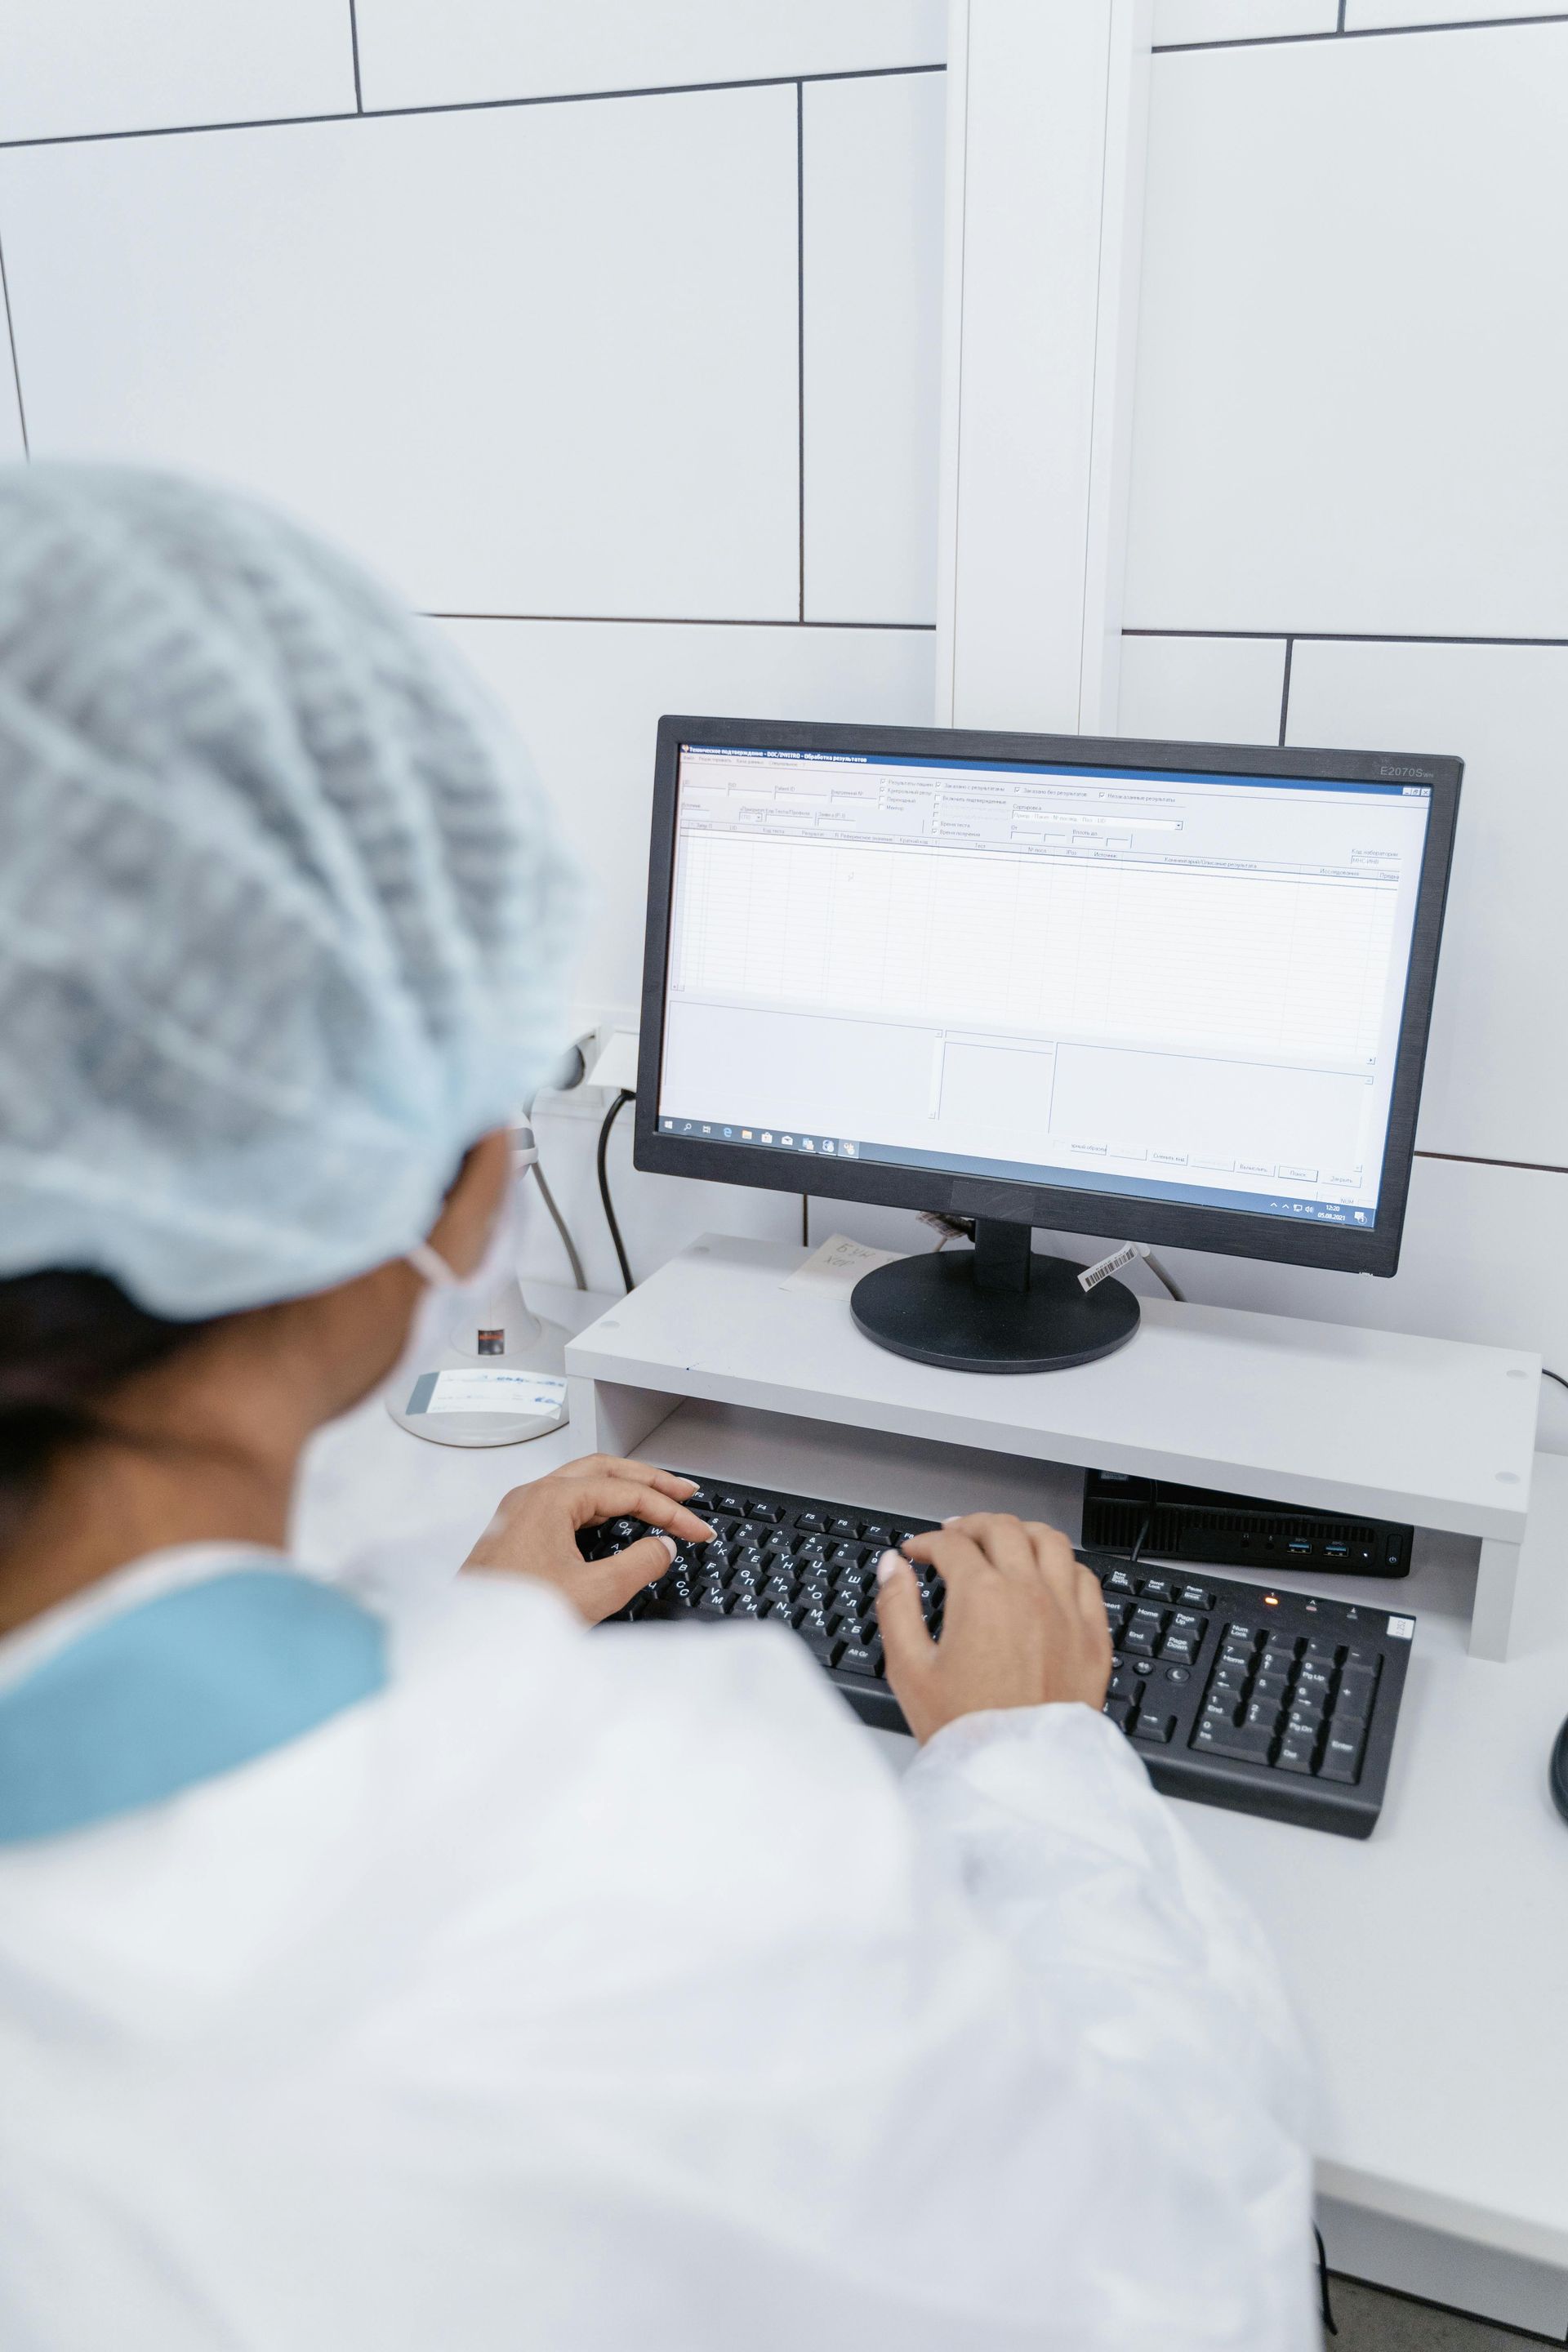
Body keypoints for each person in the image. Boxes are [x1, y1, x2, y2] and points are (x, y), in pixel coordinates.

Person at [0, 466, 1315, 2351]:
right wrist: (1036, 1768)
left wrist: (468, 1630)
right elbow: (1182, 2289)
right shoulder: (653, 1879)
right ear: (448, 1169)